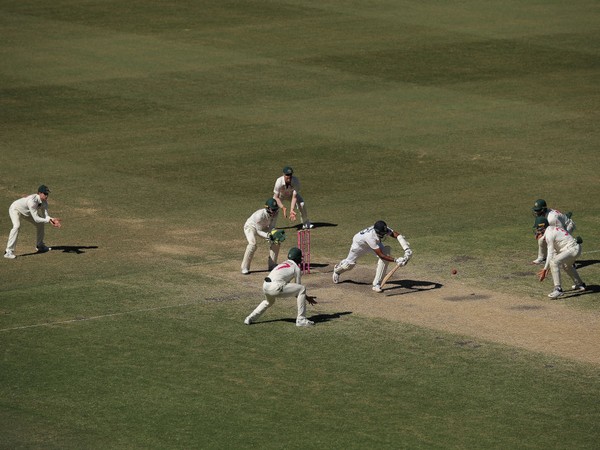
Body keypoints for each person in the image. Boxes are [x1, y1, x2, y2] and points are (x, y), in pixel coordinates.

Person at [244, 247, 317, 327]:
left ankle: (249, 318)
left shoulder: (283, 263)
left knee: (268, 302)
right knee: (302, 288)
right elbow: (298, 291)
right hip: (276, 287)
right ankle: (301, 319)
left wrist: (306, 297)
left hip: (265, 285)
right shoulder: (296, 269)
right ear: (297, 258)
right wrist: (307, 298)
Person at [332, 220, 412, 292]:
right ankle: (337, 270)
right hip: (359, 246)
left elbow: (396, 235)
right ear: (377, 232)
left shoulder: (382, 228)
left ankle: (377, 283)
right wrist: (396, 260)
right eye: (382, 234)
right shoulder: (370, 237)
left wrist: (406, 249)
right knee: (348, 265)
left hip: (373, 244)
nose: (384, 235)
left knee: (386, 252)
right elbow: (381, 255)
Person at [4, 185, 61, 259]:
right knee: (16, 226)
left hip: (27, 212)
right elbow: (36, 219)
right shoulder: (32, 201)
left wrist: (51, 219)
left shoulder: (44, 202)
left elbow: (46, 216)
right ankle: (8, 252)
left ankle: (40, 246)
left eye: (47, 194)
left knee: (40, 224)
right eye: (44, 193)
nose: (46, 196)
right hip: (15, 209)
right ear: (39, 193)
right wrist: (48, 220)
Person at [535, 217, 586, 298]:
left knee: (554, 262)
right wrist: (547, 269)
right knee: (566, 266)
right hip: (576, 248)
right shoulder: (552, 230)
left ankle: (558, 289)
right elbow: (554, 253)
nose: (537, 231)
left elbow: (550, 254)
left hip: (572, 249)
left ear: (542, 228)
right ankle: (580, 284)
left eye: (538, 229)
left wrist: (545, 269)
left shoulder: (549, 234)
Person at [241, 199, 285, 274]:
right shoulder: (259, 215)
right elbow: (258, 231)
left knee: (276, 241)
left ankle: (272, 265)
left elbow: (272, 227)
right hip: (251, 227)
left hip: (263, 227)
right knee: (252, 245)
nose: (274, 212)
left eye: (275, 209)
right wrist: (268, 235)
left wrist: (274, 235)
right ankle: (244, 267)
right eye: (272, 210)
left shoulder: (276, 213)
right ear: (267, 208)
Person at [531, 199, 575, 265]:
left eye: (538, 210)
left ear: (543, 210)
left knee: (561, 242)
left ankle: (570, 261)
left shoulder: (552, 218)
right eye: (535, 210)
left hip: (567, 226)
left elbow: (561, 233)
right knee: (541, 239)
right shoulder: (542, 215)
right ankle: (541, 258)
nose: (536, 212)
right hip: (555, 224)